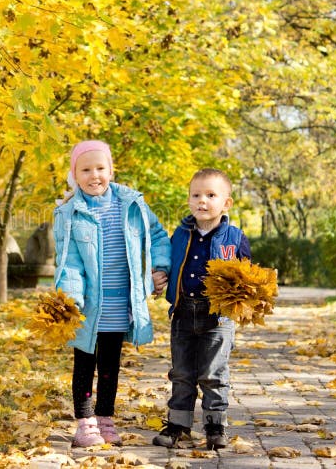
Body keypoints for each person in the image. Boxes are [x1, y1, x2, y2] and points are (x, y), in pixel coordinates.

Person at [53, 140, 171, 447]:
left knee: (109, 365)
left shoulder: (132, 204)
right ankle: (84, 422)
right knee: (84, 364)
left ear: (111, 170)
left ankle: (105, 419)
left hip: (122, 303)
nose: (95, 176)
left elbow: (157, 235)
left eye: (100, 168)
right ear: (74, 175)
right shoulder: (69, 213)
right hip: (89, 305)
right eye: (86, 170)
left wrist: (160, 268)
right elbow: (68, 262)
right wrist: (72, 299)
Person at [152, 168, 251, 450]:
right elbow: (169, 265)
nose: (202, 201)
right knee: (182, 373)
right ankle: (178, 425)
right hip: (183, 313)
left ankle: (215, 425)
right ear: (188, 200)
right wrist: (159, 280)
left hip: (218, 318)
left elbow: (247, 278)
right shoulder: (180, 235)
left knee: (213, 373)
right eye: (196, 195)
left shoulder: (235, 237)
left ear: (226, 203)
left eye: (210, 195)